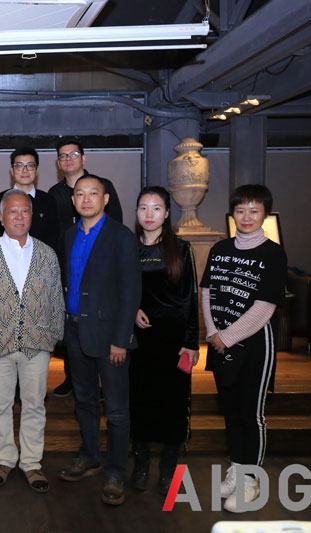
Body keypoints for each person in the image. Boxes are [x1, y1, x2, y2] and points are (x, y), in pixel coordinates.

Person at [0, 189, 64, 493]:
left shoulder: (47, 254)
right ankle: (4, 460)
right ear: (1, 217)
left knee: (35, 405)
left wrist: (53, 336)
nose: (19, 217)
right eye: (12, 211)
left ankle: (32, 463)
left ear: (32, 215)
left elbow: (56, 299)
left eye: (25, 211)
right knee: (0, 406)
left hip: (37, 345)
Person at [200, 184, 287, 513]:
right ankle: (237, 468)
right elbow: (207, 291)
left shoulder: (273, 253)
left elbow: (265, 307)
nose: (246, 217)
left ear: (265, 214)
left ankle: (251, 479)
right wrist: (213, 332)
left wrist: (227, 336)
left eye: (254, 210)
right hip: (219, 342)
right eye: (240, 210)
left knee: (252, 414)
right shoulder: (220, 248)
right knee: (231, 411)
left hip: (254, 345)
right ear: (232, 213)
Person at [57, 175, 140, 506]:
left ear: (105, 199)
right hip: (75, 331)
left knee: (117, 409)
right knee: (85, 401)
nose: (86, 199)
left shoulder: (121, 236)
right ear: (73, 200)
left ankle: (116, 470)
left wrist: (121, 340)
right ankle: (90, 455)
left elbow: (131, 291)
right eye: (80, 194)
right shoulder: (69, 235)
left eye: (93, 193)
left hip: (110, 337)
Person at [129, 186, 199, 495]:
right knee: (139, 402)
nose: (149, 214)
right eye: (143, 208)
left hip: (173, 339)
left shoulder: (181, 248)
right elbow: (122, 290)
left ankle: (169, 469)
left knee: (173, 403)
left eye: (156, 208)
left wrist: (191, 341)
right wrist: (132, 310)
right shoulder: (129, 248)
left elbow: (190, 297)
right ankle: (141, 464)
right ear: (136, 212)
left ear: (167, 213)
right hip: (139, 339)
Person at [49, 137, 123, 398]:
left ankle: (103, 381)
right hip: (68, 267)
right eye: (63, 156)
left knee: (98, 322)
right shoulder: (54, 194)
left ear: (83, 158)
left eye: (73, 154)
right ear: (58, 163)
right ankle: (72, 377)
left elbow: (116, 226)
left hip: (100, 270)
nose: (68, 159)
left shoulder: (103, 185)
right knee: (72, 324)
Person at [0, 147, 59, 251]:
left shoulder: (48, 200)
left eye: (30, 165)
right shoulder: (0, 199)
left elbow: (54, 237)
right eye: (19, 166)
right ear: (12, 171)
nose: (25, 170)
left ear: (36, 170)